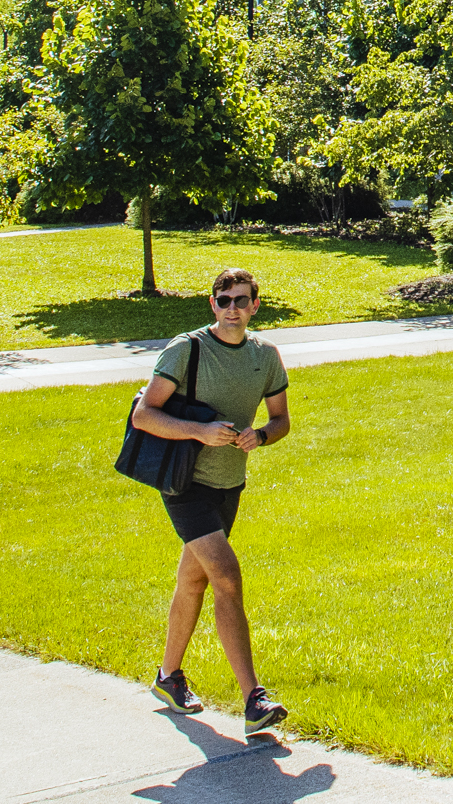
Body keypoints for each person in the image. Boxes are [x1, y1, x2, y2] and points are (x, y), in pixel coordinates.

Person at [134, 266, 291, 733]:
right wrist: (200, 431)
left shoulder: (265, 356)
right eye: (224, 301)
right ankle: (254, 700)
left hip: (230, 483)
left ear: (255, 306)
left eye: (242, 301)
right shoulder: (188, 349)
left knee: (194, 580)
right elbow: (145, 415)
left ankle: (168, 676)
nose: (233, 310)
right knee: (225, 576)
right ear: (213, 305)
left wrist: (261, 436)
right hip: (184, 484)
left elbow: (281, 419)